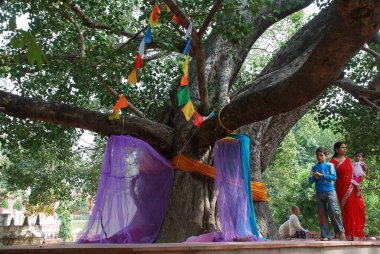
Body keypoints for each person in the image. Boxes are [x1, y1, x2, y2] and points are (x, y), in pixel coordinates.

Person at [330, 142, 366, 240]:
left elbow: (355, 174)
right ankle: (349, 234)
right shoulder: (333, 162)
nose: (345, 149)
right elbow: (331, 177)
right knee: (348, 210)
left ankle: (356, 233)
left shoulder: (349, 160)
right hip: (342, 189)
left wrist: (359, 180)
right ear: (336, 150)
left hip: (353, 188)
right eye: (343, 147)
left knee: (359, 208)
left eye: (346, 147)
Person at [309, 147, 345, 241]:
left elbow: (334, 177)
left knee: (333, 211)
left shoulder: (330, 165)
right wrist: (315, 178)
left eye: (321, 155)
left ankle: (340, 232)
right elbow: (310, 180)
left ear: (326, 156)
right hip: (319, 192)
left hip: (330, 191)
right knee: (322, 213)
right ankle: (326, 235)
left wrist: (322, 175)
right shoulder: (314, 167)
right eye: (317, 155)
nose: (319, 157)